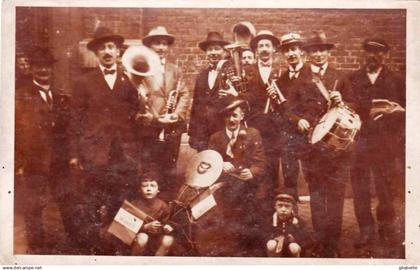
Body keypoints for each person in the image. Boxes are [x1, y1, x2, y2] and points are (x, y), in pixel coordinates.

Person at [68, 26, 143, 254]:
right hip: (94, 153)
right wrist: (73, 154)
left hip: (122, 155)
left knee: (119, 199)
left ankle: (118, 246)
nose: (107, 52)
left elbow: (134, 116)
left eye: (111, 47)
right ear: (96, 53)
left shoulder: (127, 82)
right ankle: (95, 248)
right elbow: (75, 121)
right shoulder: (83, 82)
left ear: (118, 51)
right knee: (93, 200)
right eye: (102, 48)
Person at [288, 30, 353, 257]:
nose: (318, 55)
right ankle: (319, 241)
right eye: (314, 51)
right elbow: (289, 110)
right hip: (312, 148)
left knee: (335, 196)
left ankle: (332, 246)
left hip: (337, 150)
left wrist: (342, 101)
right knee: (316, 197)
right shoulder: (300, 78)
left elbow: (354, 110)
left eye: (322, 50)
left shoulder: (340, 77)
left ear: (327, 52)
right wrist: (299, 120)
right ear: (309, 54)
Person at [15, 47, 77, 253]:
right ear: (31, 69)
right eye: (38, 67)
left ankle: (74, 245)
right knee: (34, 208)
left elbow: (70, 130)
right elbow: (12, 133)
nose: (43, 71)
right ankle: (37, 250)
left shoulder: (61, 97)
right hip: (34, 163)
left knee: (67, 202)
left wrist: (72, 155)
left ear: (52, 70)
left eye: (46, 67)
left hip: (60, 162)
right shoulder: (19, 98)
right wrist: (18, 164)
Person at [349, 38, 405, 255]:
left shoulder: (397, 80)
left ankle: (386, 226)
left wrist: (399, 113)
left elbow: (407, 110)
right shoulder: (353, 79)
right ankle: (366, 229)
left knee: (385, 186)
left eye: (378, 52)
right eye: (369, 51)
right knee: (360, 187)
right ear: (364, 53)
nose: (373, 56)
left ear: (386, 55)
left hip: (386, 142)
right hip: (361, 141)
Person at [208, 98, 266, 256]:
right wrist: (220, 164)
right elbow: (209, 164)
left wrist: (252, 172)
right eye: (227, 116)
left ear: (242, 116)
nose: (231, 120)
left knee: (250, 221)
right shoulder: (216, 138)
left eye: (234, 115)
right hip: (225, 188)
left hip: (248, 188)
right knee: (226, 224)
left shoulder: (253, 134)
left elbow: (260, 163)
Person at [142, 26, 190, 197]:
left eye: (164, 44)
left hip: (171, 129)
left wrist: (175, 114)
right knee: (149, 169)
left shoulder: (174, 70)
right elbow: (140, 98)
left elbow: (184, 93)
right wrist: (156, 119)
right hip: (150, 129)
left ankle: (166, 209)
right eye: (157, 44)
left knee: (169, 169)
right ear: (150, 47)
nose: (162, 48)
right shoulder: (142, 70)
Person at [243, 30, 282, 217]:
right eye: (260, 46)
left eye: (268, 45)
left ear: (274, 49)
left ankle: (273, 215)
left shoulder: (282, 71)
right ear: (256, 51)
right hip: (255, 128)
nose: (264, 49)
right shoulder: (247, 71)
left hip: (275, 131)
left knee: (273, 171)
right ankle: (255, 217)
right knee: (255, 169)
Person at [276, 32, 311, 201]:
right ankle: (292, 218)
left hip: (310, 133)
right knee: (290, 178)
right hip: (289, 135)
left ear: (302, 51)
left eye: (294, 49)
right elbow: (282, 109)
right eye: (287, 51)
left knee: (313, 177)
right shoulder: (281, 80)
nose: (291, 54)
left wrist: (305, 121)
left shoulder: (313, 75)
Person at [188, 31, 237, 152]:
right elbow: (196, 106)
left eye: (217, 49)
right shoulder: (201, 76)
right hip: (202, 133)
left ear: (224, 51)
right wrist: (193, 133)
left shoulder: (232, 73)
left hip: (222, 130)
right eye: (210, 49)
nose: (213, 53)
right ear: (206, 53)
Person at [130, 172, 174, 256]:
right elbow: (126, 226)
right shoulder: (134, 204)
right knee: (143, 237)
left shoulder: (163, 205)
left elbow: (165, 222)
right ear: (139, 189)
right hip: (139, 236)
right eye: (145, 186)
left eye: (152, 186)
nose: (148, 189)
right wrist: (145, 227)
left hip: (156, 237)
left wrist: (165, 227)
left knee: (168, 239)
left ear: (158, 189)